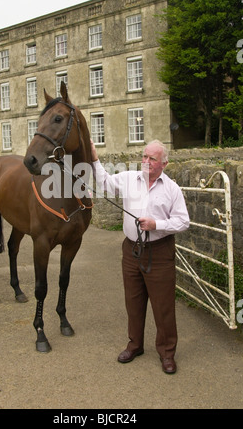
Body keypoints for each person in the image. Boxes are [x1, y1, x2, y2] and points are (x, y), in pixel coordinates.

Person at [90, 139, 190, 374]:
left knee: (163, 306)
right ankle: (135, 345)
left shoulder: (172, 189)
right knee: (133, 301)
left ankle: (167, 353)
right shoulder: (127, 179)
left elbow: (183, 221)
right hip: (131, 250)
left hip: (160, 251)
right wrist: (94, 158)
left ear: (163, 163)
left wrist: (157, 224)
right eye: (144, 156)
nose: (146, 161)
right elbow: (105, 183)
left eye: (152, 158)